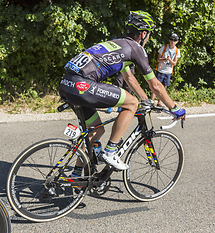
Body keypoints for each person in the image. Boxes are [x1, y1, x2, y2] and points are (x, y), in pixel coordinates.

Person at [59, 10, 186, 172]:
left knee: (96, 130)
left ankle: (77, 175)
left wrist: (146, 100)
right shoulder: (135, 48)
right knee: (131, 103)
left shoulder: (118, 44)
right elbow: (156, 85)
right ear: (143, 34)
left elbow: (130, 79)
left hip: (66, 83)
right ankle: (111, 152)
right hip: (82, 84)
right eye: (148, 35)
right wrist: (175, 108)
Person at [151, 33, 181, 107]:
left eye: (174, 40)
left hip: (168, 72)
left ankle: (159, 103)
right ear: (169, 40)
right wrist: (165, 59)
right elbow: (158, 59)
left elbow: (174, 63)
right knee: (155, 87)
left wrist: (169, 60)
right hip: (160, 70)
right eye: (171, 39)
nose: (172, 41)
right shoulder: (164, 47)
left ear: (177, 41)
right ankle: (151, 102)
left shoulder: (177, 50)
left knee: (163, 88)